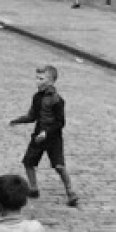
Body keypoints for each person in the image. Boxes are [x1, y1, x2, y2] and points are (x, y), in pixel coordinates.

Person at [10, 64, 78, 207]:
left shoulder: (57, 100)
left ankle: (71, 192)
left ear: (51, 81)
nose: (37, 81)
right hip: (38, 135)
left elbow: (60, 122)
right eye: (37, 78)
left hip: (53, 137)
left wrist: (46, 133)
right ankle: (33, 188)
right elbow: (32, 116)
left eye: (41, 78)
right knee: (28, 162)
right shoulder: (36, 97)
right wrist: (18, 120)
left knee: (59, 166)